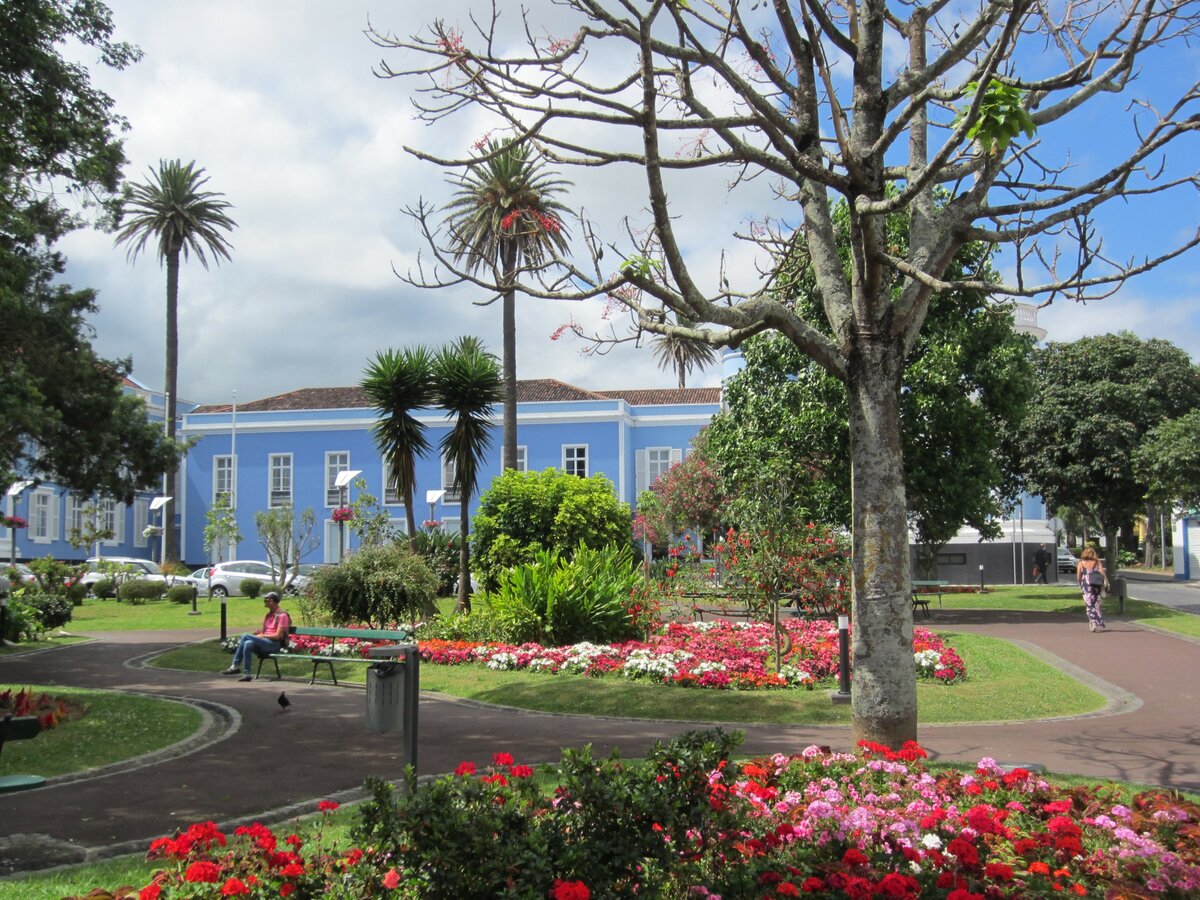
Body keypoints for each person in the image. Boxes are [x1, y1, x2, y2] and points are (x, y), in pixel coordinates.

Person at [222, 591, 291, 681]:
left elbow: (277, 636)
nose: (264, 602)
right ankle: (247, 674)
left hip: (274, 645)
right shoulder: (268, 615)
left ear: (272, 601)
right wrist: (259, 633)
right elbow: (266, 631)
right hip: (265, 643)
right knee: (248, 643)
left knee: (245, 635)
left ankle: (235, 666)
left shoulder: (282, 616)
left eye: (266, 600)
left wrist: (263, 635)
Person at [1077, 547, 1107, 633]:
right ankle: (1097, 620)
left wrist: (1080, 583)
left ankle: (1093, 622)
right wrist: (1106, 582)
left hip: (1086, 585)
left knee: (1089, 604)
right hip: (1096, 584)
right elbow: (1102, 572)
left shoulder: (1081, 563)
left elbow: (1078, 576)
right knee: (1096, 603)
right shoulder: (1097, 562)